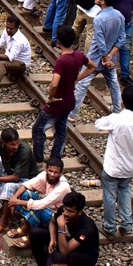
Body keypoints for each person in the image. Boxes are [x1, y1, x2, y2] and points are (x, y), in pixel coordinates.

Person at [92, 83, 133, 237]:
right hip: (130, 168)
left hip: (112, 167)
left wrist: (109, 115)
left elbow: (98, 125)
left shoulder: (116, 119)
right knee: (125, 190)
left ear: (123, 102)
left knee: (109, 196)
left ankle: (109, 227)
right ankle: (127, 225)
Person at [33, 27, 94, 165]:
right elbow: (92, 66)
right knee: (61, 129)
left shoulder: (62, 61)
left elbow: (54, 84)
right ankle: (56, 157)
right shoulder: (79, 55)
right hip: (70, 100)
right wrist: (78, 78)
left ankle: (38, 159)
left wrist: (50, 98)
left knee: (38, 129)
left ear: (59, 42)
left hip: (58, 102)